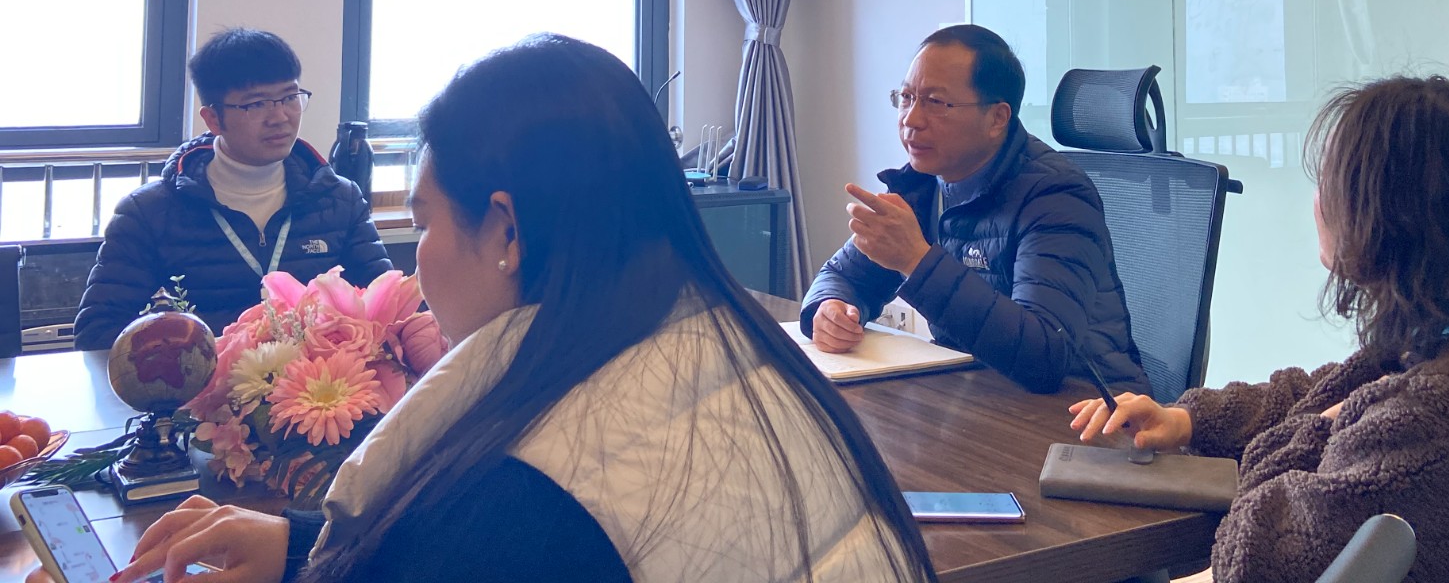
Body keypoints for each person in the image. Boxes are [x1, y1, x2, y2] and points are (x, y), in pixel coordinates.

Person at [106, 35, 938, 583]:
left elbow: (508, 540)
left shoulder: (526, 494)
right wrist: (301, 550)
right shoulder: (728, 345)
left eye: (425, 224)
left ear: (506, 229)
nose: (416, 262)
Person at [1070, 76, 1449, 583]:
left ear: (1391, 218)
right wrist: (1189, 419)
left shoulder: (1433, 420)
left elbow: (1249, 559)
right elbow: (1328, 390)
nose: (1318, 201)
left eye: (1332, 182)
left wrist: (1320, 428)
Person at [801, 24, 1147, 395]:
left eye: (936, 103)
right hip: (976, 394)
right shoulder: (921, 184)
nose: (911, 119)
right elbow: (843, 275)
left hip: (1088, 409)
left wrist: (916, 260)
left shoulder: (1055, 195)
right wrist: (830, 308)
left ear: (997, 118)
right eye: (906, 97)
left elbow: (1044, 355)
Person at [75, 28, 392, 349]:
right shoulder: (149, 213)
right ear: (213, 118)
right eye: (256, 104)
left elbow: (388, 312)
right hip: (202, 380)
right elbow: (98, 333)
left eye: (290, 97)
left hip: (320, 378)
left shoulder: (340, 200)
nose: (280, 116)